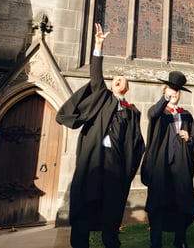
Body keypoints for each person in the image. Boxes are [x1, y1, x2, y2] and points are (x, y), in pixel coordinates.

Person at [56, 23, 145, 248]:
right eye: (114, 77)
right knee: (85, 208)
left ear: (127, 87)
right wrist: (98, 47)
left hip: (115, 166)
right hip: (93, 161)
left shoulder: (133, 112)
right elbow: (96, 78)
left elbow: (137, 143)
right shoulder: (103, 98)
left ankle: (111, 242)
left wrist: (129, 169)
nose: (117, 78)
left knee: (111, 213)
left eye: (122, 78)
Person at [141, 71, 194, 248]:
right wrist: (165, 98)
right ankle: (155, 242)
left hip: (180, 167)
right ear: (165, 91)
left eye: (178, 90)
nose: (175, 93)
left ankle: (180, 240)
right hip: (161, 166)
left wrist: (188, 138)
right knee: (158, 206)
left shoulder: (186, 115)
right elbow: (152, 114)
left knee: (181, 206)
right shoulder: (159, 113)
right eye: (172, 89)